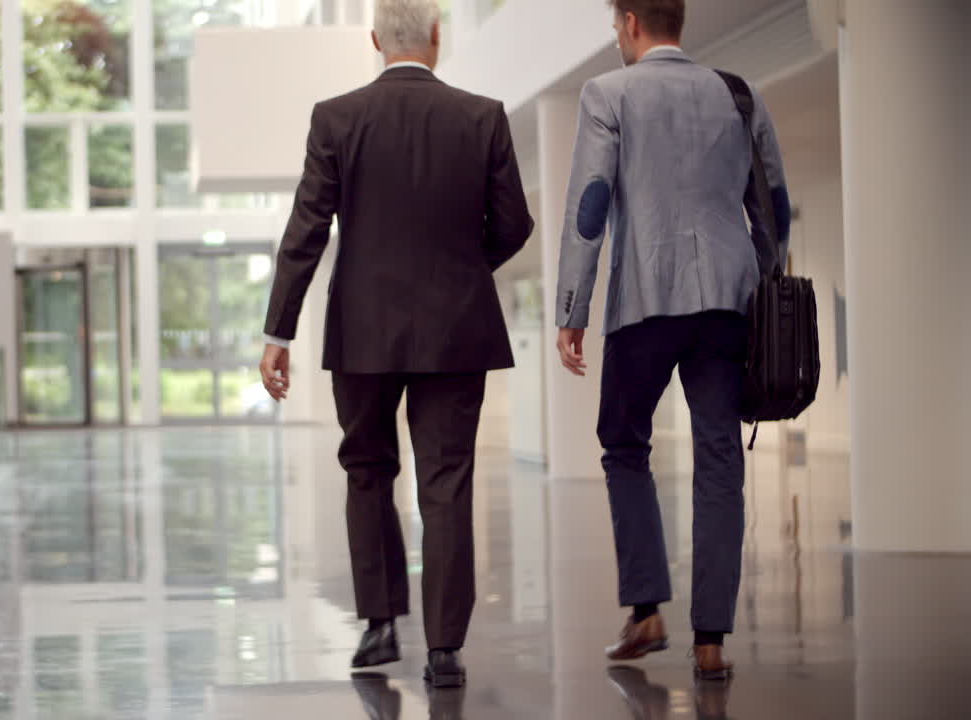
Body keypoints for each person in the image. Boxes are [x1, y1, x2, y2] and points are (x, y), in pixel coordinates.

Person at [258, 0, 533, 689]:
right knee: (446, 482)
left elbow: (306, 230)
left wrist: (278, 331)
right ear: (438, 37)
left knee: (367, 469)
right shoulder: (481, 116)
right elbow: (514, 224)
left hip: (363, 329)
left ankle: (379, 626)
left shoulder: (337, 117)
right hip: (454, 329)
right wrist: (465, 273)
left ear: (376, 40)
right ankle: (445, 649)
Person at [553, 0, 789, 681]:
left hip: (646, 296)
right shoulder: (737, 93)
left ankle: (647, 610)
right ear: (676, 20)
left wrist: (573, 306)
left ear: (629, 22)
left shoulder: (608, 93)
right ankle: (710, 640)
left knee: (624, 443)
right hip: (727, 299)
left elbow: (591, 203)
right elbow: (770, 203)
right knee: (720, 454)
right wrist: (766, 286)